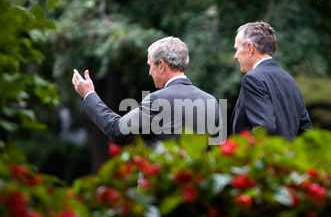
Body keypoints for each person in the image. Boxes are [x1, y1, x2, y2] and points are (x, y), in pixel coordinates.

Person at [72, 36, 225, 146]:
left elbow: (116, 129)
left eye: (150, 65)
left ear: (161, 65)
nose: (149, 72)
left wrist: (89, 95)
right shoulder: (211, 101)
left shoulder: (157, 101)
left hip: (159, 187)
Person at [231, 21, 312, 141]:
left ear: (249, 48)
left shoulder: (253, 79)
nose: (235, 56)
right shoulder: (290, 80)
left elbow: (263, 128)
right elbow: (306, 130)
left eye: (237, 49)